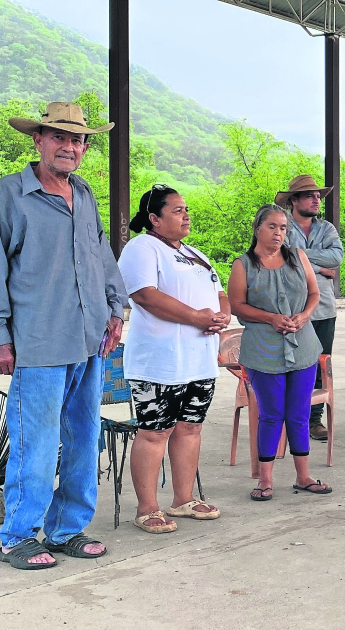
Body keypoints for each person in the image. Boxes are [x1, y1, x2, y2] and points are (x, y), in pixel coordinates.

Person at [0, 101, 127, 569]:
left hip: (89, 339)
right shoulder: (10, 194)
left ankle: (67, 530)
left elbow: (102, 257)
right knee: (35, 441)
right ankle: (18, 536)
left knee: (84, 437)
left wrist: (116, 308)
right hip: (38, 340)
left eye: (78, 140)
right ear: (38, 141)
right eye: (59, 137)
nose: (70, 147)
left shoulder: (84, 195)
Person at [118, 185, 228, 533]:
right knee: (154, 432)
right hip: (159, 362)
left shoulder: (195, 254)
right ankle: (147, 507)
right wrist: (197, 317)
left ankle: (183, 499)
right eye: (178, 210)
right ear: (154, 218)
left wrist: (222, 316)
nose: (186, 215)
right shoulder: (142, 248)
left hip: (198, 360)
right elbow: (145, 295)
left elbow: (220, 292)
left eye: (186, 209)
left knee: (190, 429)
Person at [228, 204, 331, 501]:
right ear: (258, 228)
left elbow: (315, 293)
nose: (278, 232)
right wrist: (270, 317)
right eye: (272, 226)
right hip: (263, 348)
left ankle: (304, 476)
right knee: (272, 415)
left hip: (303, 347)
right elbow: (237, 305)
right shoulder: (243, 264)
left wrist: (304, 315)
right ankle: (265, 480)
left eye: (283, 227)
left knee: (298, 414)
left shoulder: (298, 257)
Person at [276, 175, 343, 443]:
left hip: (324, 309)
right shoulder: (280, 224)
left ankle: (313, 420)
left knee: (319, 365)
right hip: (289, 308)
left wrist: (299, 255)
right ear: (293, 200)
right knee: (288, 364)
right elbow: (276, 255)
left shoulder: (326, 228)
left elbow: (337, 258)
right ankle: (285, 419)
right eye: (309, 195)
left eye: (318, 196)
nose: (316, 199)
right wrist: (321, 267)